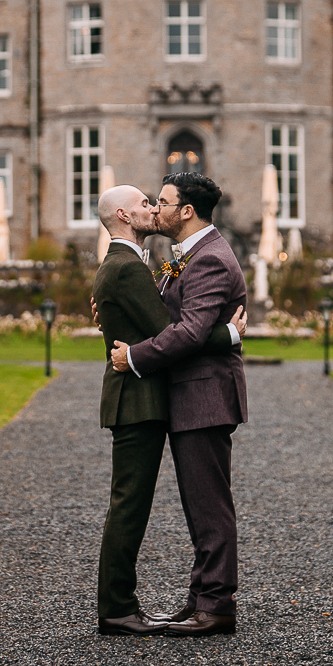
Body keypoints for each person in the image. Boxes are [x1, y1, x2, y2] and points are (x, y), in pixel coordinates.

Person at [91, 183, 245, 636]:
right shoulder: (149, 262)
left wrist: (135, 355)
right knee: (174, 505)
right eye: (147, 202)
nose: (155, 209)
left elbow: (186, 332)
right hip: (165, 398)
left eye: (161, 202)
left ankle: (213, 605)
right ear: (122, 215)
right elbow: (172, 323)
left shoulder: (210, 256)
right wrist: (228, 335)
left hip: (203, 396)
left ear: (187, 210)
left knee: (208, 506)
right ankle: (188, 600)